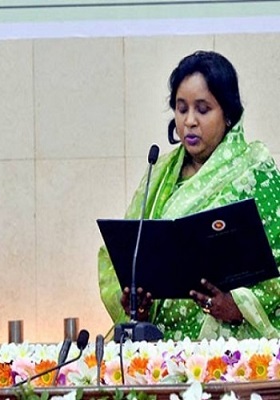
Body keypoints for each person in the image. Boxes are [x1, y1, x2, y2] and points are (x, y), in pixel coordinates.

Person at [99, 50, 280, 341]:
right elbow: (124, 257)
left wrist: (239, 306)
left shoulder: (255, 171)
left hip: (231, 349)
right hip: (159, 351)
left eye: (203, 110)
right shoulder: (160, 175)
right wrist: (136, 305)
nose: (190, 121)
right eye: (181, 109)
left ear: (228, 114)